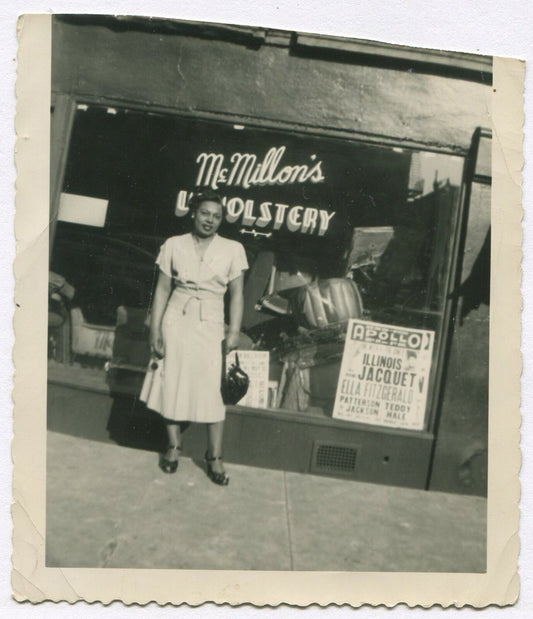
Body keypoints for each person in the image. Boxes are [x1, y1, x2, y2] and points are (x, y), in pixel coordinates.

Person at [141, 190, 248, 485]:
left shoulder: (233, 249)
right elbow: (162, 289)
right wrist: (155, 329)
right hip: (176, 319)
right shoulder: (174, 245)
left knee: (214, 391)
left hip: (212, 324)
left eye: (216, 216)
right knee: (171, 382)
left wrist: (234, 331)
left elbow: (238, 294)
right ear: (193, 213)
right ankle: (173, 446)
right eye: (204, 214)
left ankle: (214, 456)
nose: (210, 221)